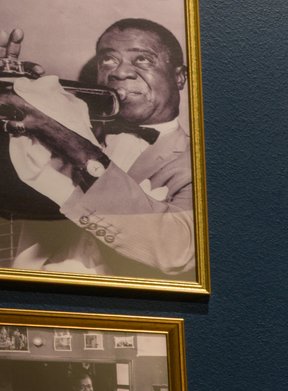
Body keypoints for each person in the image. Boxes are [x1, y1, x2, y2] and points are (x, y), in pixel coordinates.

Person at [0, 18, 197, 279]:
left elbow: (177, 250)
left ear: (180, 77)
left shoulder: (197, 161)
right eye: (108, 60)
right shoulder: (64, 125)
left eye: (142, 60)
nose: (119, 72)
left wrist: (70, 141)